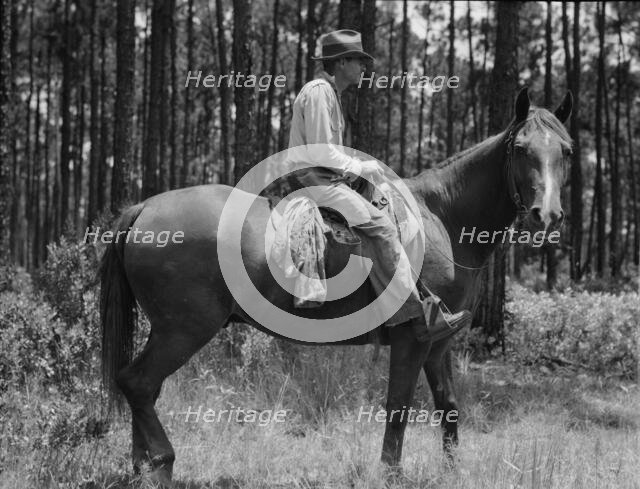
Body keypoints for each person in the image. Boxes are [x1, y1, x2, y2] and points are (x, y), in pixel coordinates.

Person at [287, 29, 470, 343]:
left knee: (390, 211)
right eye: (358, 60)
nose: (363, 68)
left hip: (328, 178)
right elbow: (320, 152)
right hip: (316, 181)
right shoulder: (319, 92)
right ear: (341, 62)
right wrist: (363, 167)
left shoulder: (330, 94)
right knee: (382, 227)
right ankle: (416, 316)